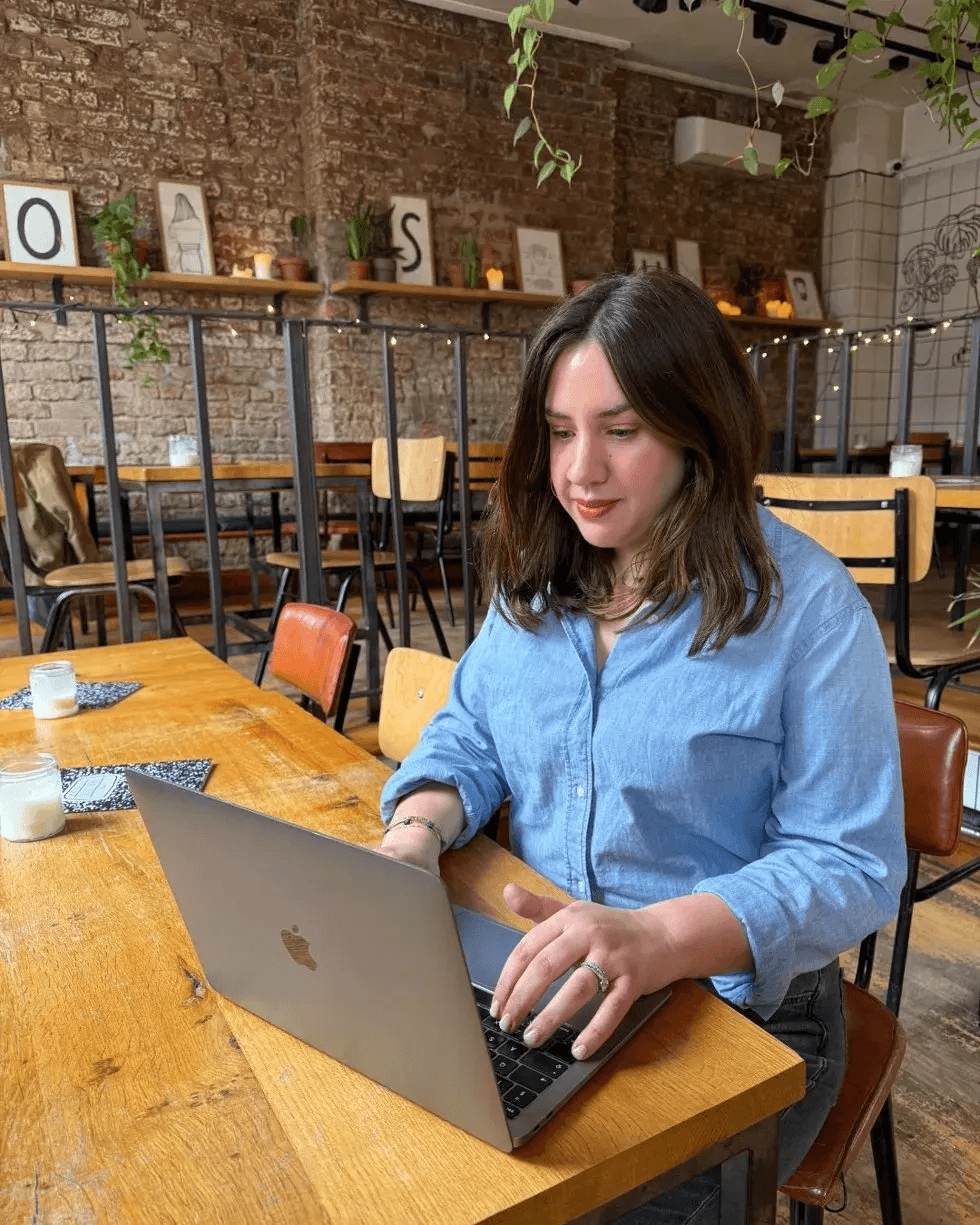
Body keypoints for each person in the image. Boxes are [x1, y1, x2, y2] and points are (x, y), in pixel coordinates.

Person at [377, 269, 906, 1223]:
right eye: (561, 430)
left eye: (621, 431)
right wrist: (419, 827)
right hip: (542, 976)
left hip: (742, 1021)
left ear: (696, 428)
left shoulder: (809, 609)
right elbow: (471, 728)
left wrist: (657, 935)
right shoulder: (539, 578)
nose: (582, 471)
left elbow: (853, 862)